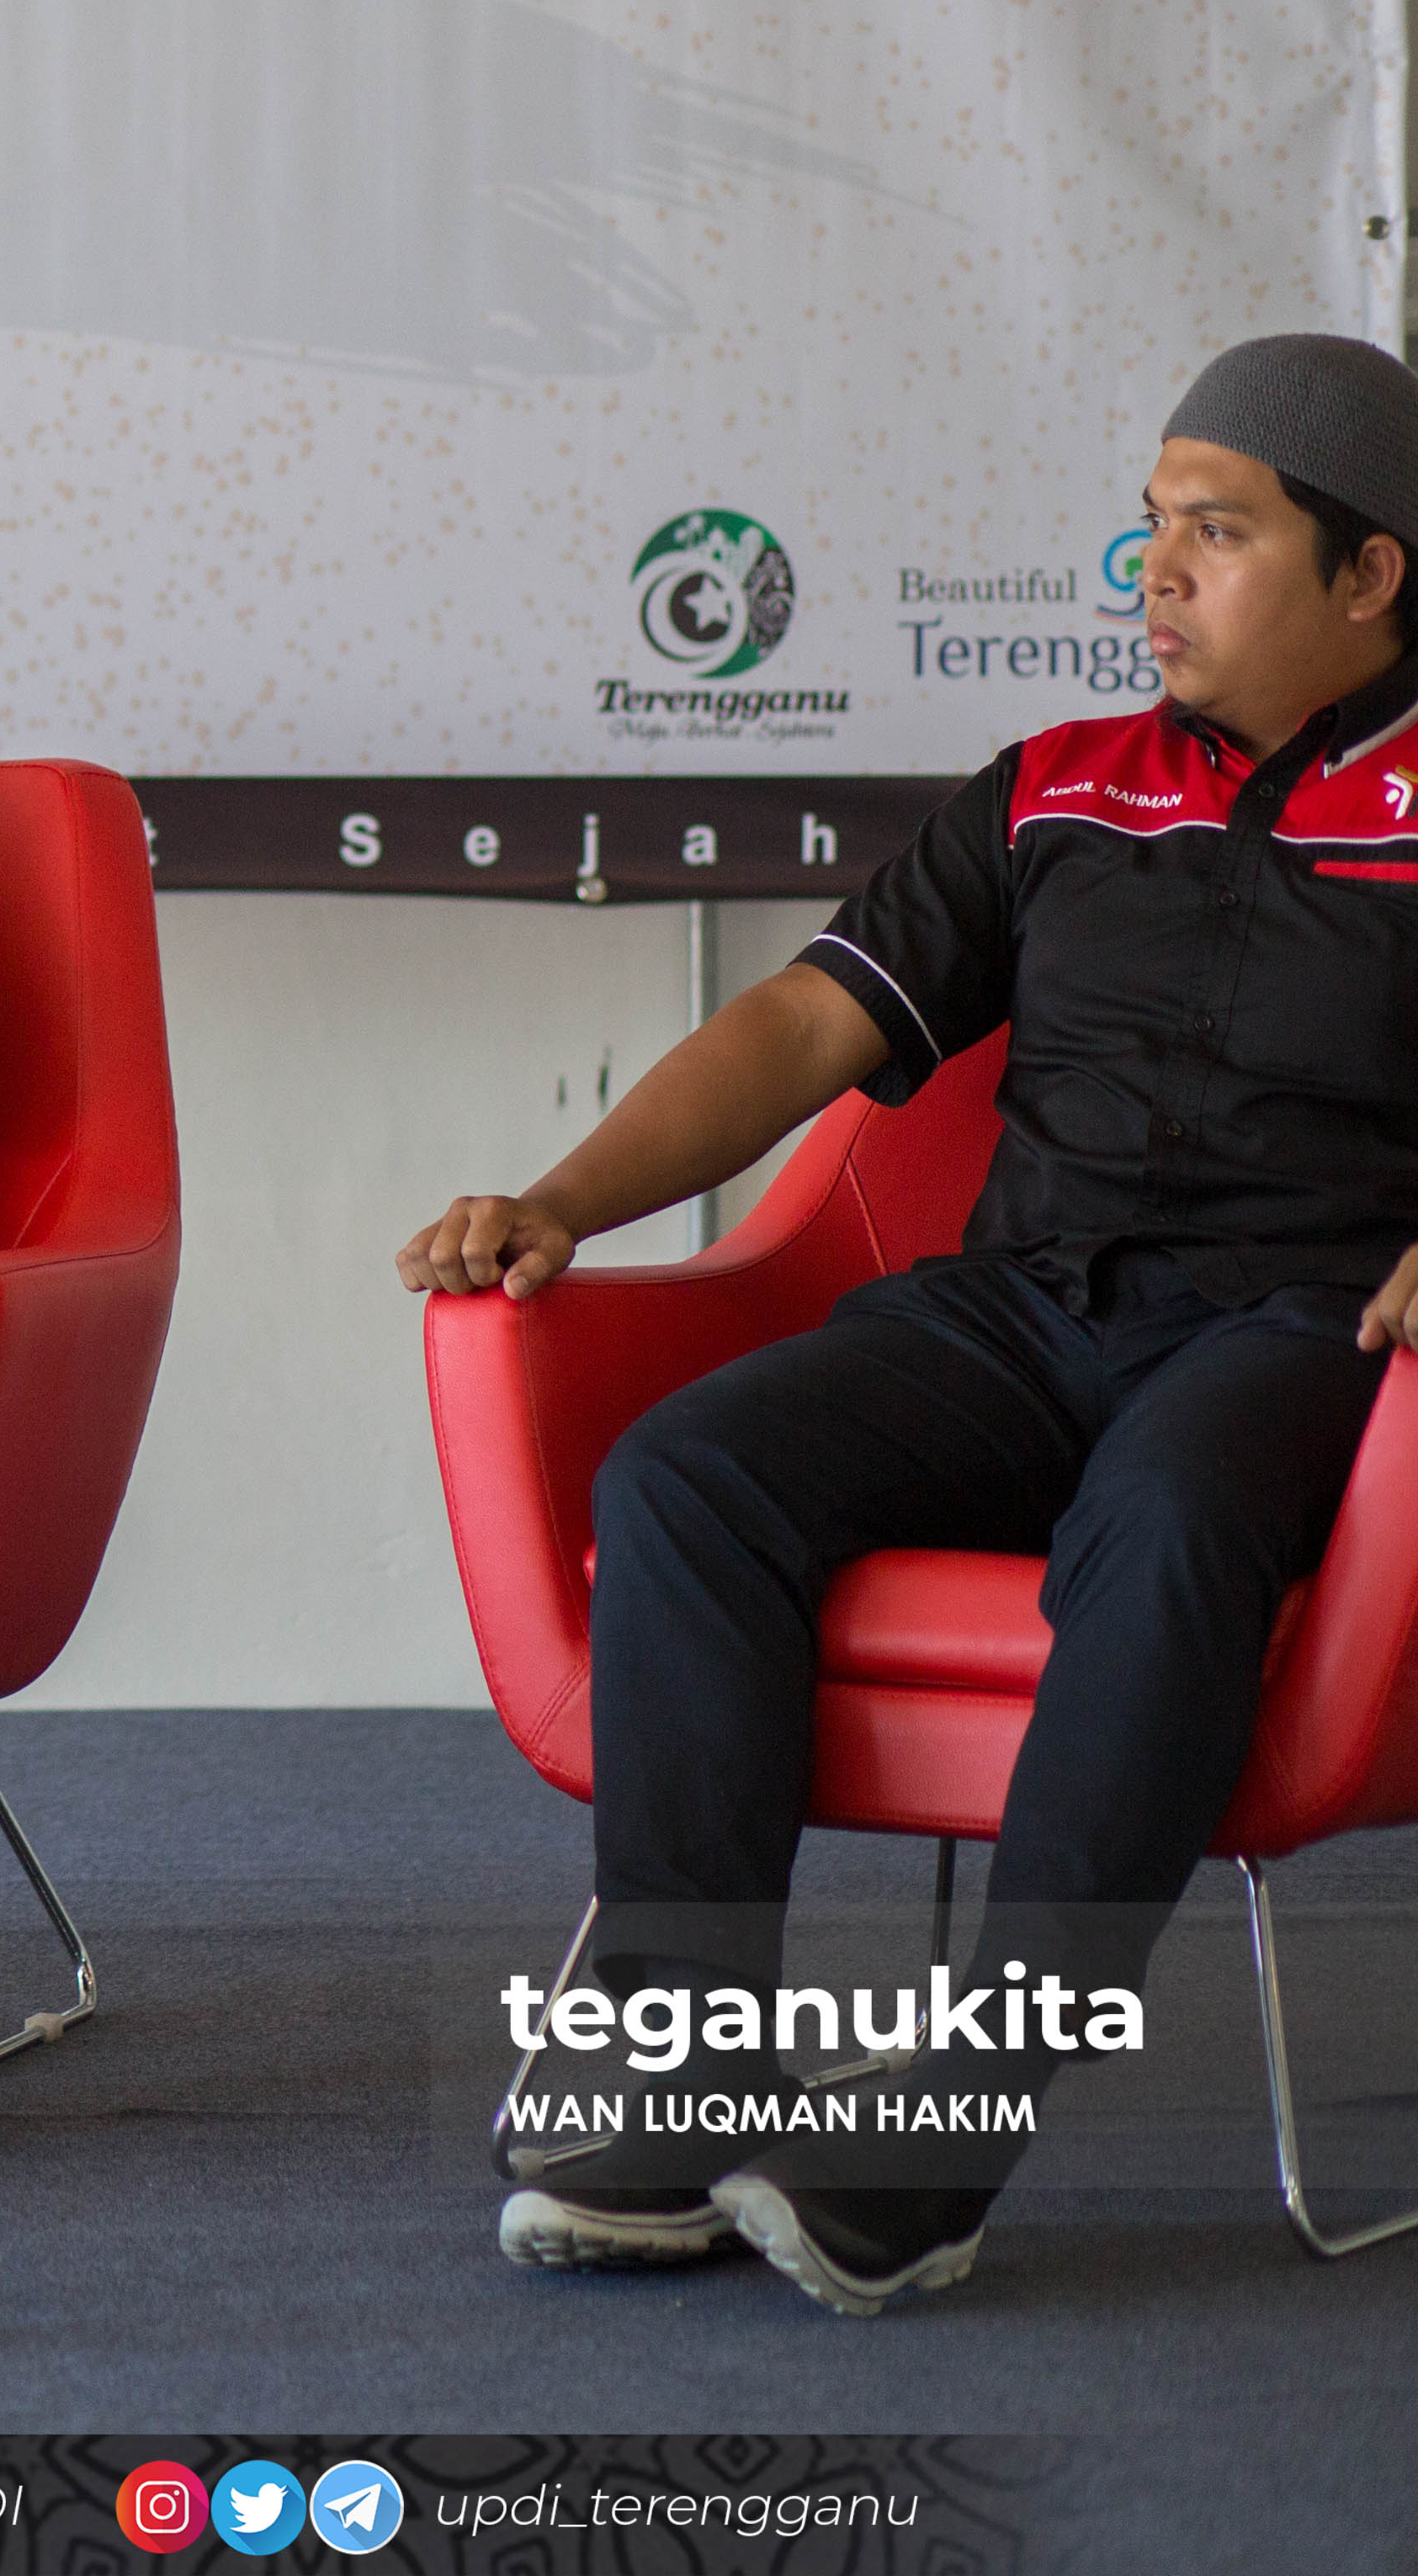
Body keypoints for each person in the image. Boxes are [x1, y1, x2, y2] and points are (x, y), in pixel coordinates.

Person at [406, 333, 1418, 2315]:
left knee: (1164, 1526)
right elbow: (805, 1022)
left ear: (1368, 572)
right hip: (1022, 1305)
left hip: (1292, 1331)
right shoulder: (1057, 783)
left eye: (1216, 533)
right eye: (1150, 525)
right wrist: (562, 1199)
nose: (1155, 572)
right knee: (689, 1472)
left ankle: (952, 2123)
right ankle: (682, 2058)